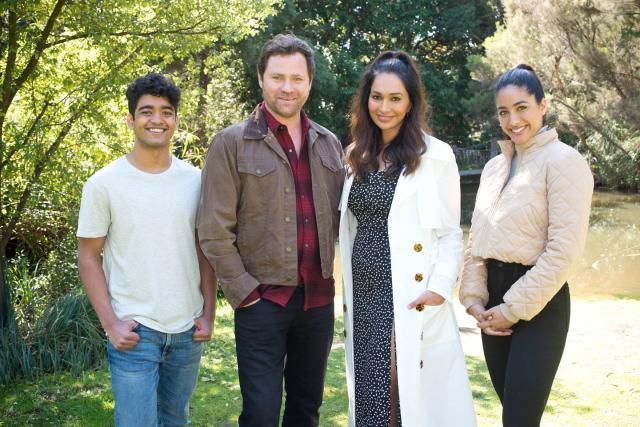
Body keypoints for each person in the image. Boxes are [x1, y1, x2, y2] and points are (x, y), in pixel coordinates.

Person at [197, 34, 344, 427]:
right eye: (277, 77)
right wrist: (244, 293)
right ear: (261, 78)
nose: (287, 87)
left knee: (305, 411)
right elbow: (213, 228)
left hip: (317, 302)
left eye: (297, 78)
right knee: (260, 415)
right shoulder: (231, 143)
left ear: (310, 82)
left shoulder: (329, 144)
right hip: (262, 302)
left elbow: (345, 221)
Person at [339, 50, 476, 427]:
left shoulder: (435, 156)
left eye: (395, 98)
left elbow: (450, 232)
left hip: (407, 293)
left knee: (402, 396)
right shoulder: (356, 155)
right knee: (368, 392)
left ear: (411, 102)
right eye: (377, 96)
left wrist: (440, 286)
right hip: (363, 295)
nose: (384, 107)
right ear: (365, 99)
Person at [77, 73, 217, 427]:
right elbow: (88, 256)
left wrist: (209, 313)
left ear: (176, 120)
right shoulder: (103, 183)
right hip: (135, 333)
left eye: (166, 112)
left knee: (176, 421)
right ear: (130, 119)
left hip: (187, 331)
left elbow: (206, 250)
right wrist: (111, 324)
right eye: (147, 111)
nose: (157, 120)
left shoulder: (197, 181)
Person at [459, 64, 594, 427]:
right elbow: (477, 241)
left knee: (520, 419)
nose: (513, 119)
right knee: (511, 415)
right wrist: (474, 300)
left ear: (543, 105)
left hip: (540, 304)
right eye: (504, 112)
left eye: (522, 107)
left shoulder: (565, 162)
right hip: (492, 304)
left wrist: (513, 308)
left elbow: (563, 252)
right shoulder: (492, 169)